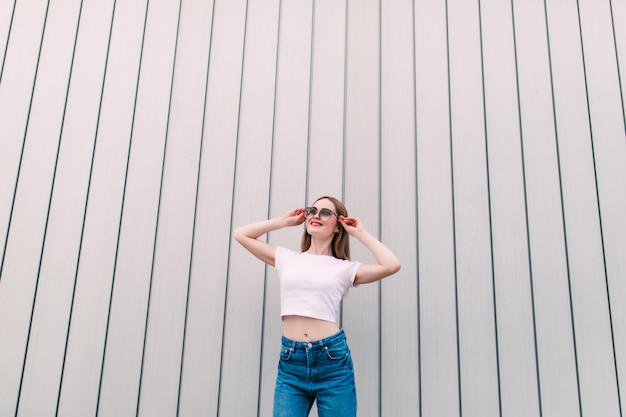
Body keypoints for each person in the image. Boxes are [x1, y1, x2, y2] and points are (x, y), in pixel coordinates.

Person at [233, 196, 401, 417]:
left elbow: (392, 264)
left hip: (332, 362)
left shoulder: (344, 268)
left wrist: (359, 232)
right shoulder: (287, 258)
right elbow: (240, 234)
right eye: (312, 210)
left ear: (338, 226)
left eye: (325, 212)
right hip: (292, 364)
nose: (316, 215)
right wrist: (283, 222)